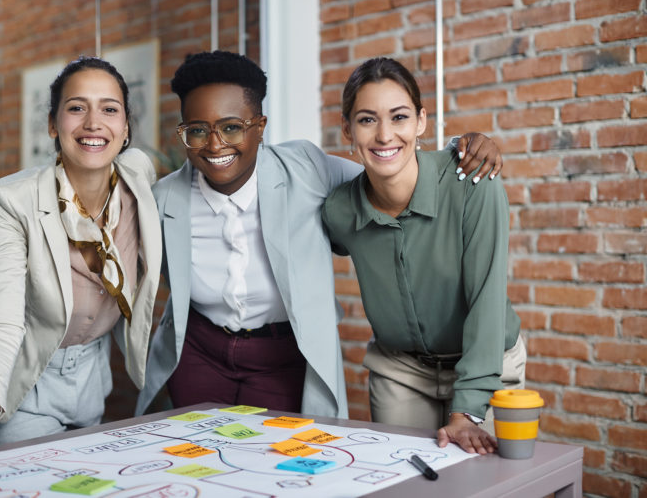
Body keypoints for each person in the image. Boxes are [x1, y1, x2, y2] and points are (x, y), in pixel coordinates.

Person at [136, 51, 504, 419]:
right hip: (201, 354)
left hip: (279, 356)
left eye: (231, 127)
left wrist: (462, 148)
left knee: (275, 459)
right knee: (198, 458)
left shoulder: (306, 170)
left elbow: (388, 172)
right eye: (197, 130)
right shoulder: (164, 199)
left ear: (260, 126)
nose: (215, 145)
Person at [0, 56, 162, 460]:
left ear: (125, 128)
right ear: (53, 125)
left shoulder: (138, 177)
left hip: (93, 377)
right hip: (27, 378)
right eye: (76, 108)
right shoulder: (12, 201)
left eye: (109, 109)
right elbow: (1, 316)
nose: (92, 122)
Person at [322, 57, 526, 454]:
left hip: (487, 363)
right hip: (400, 371)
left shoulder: (473, 184)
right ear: (347, 130)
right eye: (367, 120)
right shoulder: (339, 211)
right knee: (404, 482)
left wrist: (466, 412)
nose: (384, 135)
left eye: (399, 117)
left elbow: (487, 303)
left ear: (421, 122)